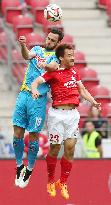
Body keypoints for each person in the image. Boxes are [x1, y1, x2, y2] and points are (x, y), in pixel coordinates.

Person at [31, 44, 101, 199]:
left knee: (70, 148)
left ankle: (62, 182)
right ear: (61, 57)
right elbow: (36, 82)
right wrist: (34, 89)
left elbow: (82, 90)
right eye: (69, 55)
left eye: (73, 55)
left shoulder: (74, 72)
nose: (73, 58)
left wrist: (93, 101)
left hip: (73, 115)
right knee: (55, 148)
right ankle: (50, 180)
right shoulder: (53, 72)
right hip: (57, 115)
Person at [12, 27, 64, 188]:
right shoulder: (37, 49)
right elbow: (27, 55)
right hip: (24, 94)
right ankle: (20, 165)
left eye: (52, 40)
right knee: (17, 133)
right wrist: (22, 45)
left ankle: (30, 168)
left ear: (58, 43)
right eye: (48, 38)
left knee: (34, 136)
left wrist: (45, 66)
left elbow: (53, 67)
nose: (48, 41)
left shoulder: (57, 57)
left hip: (38, 99)